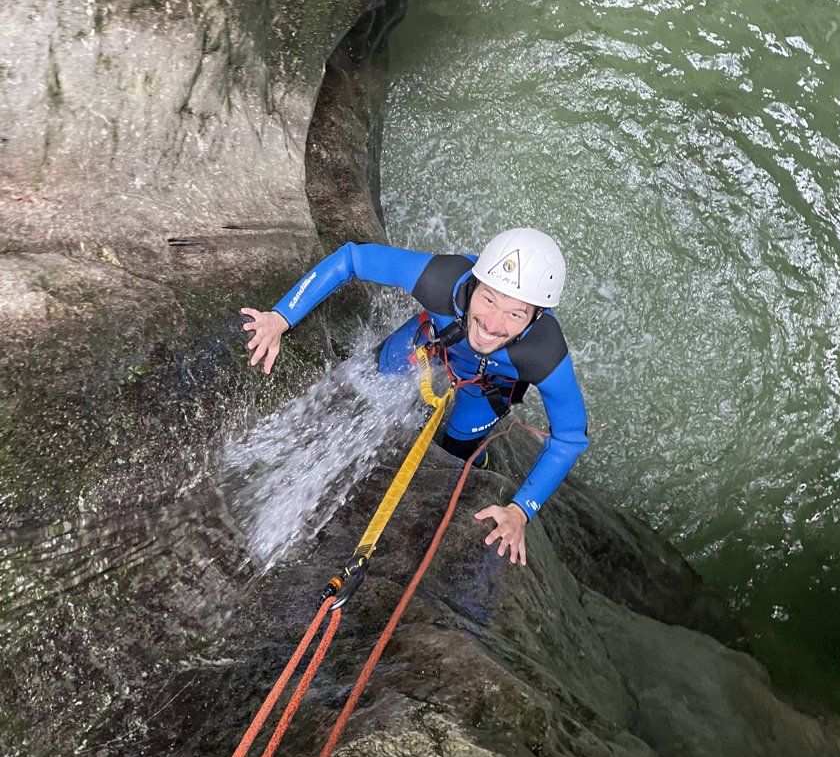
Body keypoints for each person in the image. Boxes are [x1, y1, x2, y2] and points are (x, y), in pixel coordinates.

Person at [241, 228, 589, 568]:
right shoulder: (442, 280)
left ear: (536, 317)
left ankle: (476, 456)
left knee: (458, 451)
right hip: (434, 341)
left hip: (488, 384)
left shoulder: (544, 354)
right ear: (474, 284)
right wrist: (281, 316)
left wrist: (520, 510)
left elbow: (569, 439)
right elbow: (352, 258)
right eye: (489, 300)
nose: (493, 325)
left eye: (515, 314)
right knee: (373, 383)